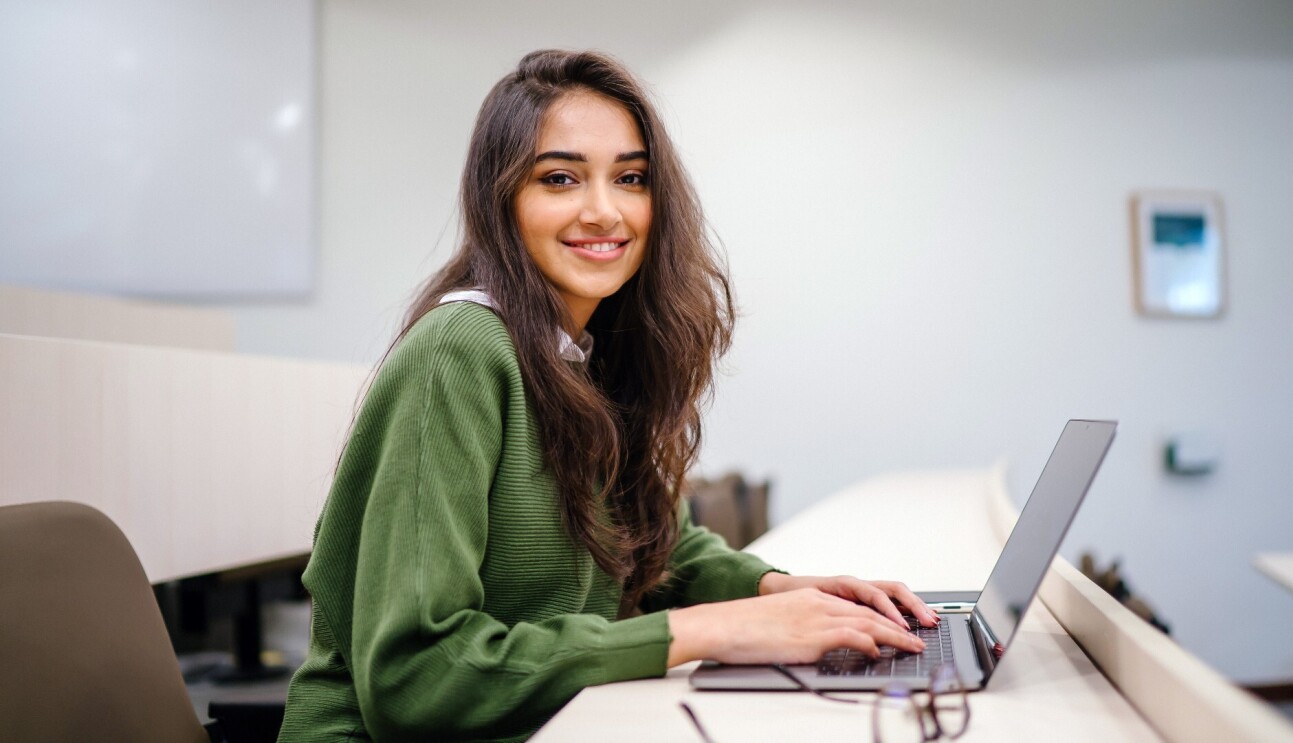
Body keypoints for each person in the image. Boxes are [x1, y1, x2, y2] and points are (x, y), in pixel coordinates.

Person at [277, 49, 937, 743]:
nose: (604, 211)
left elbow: (656, 544)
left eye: (630, 178)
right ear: (501, 200)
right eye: (560, 178)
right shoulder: (461, 351)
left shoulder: (581, 352)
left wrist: (781, 591)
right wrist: (713, 629)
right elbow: (417, 678)